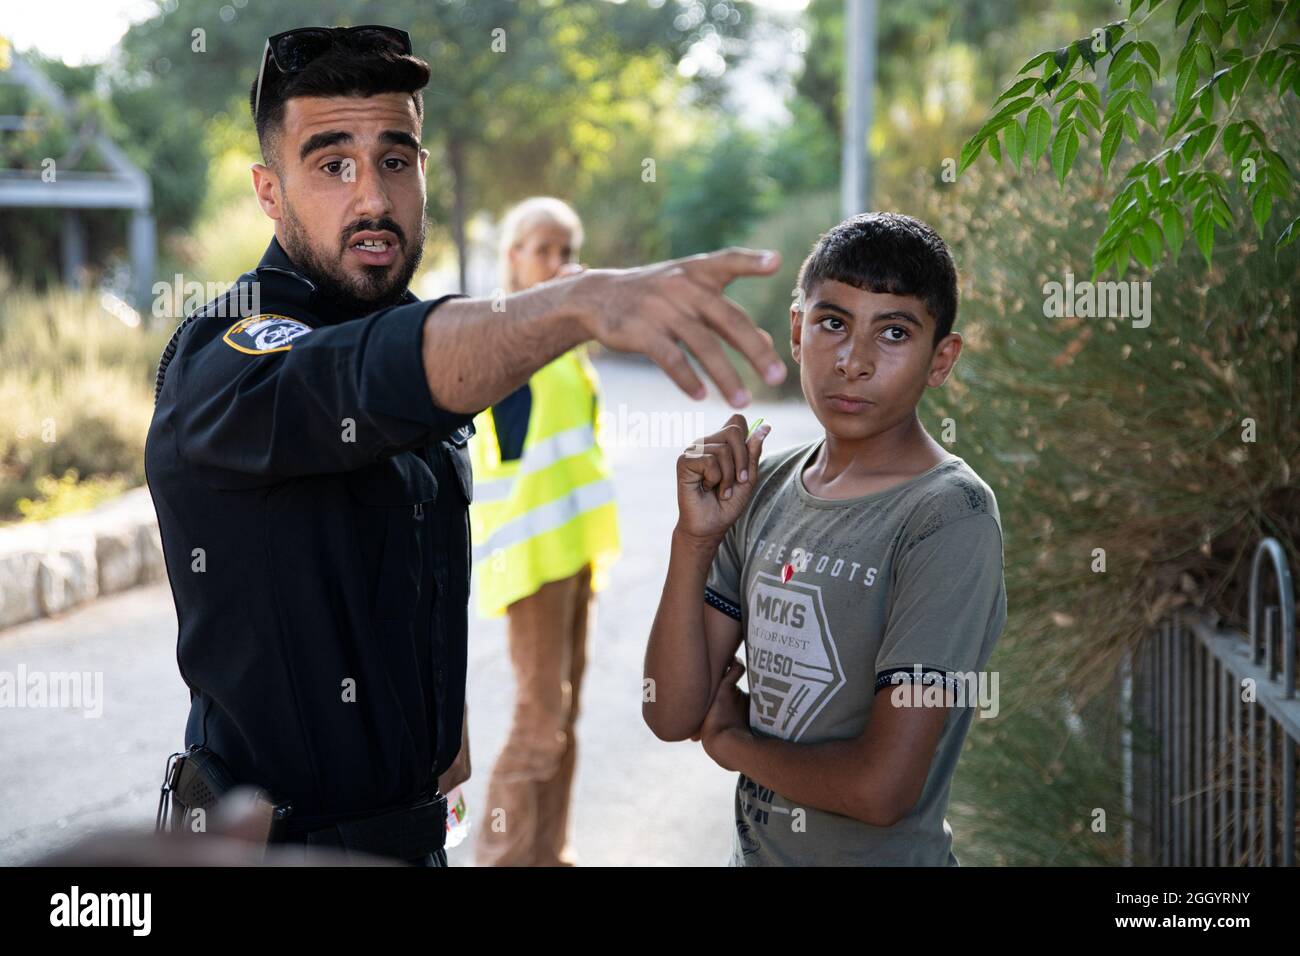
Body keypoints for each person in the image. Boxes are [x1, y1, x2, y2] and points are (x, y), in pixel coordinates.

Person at [145, 23, 785, 867]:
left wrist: (437, 744)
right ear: (270, 192)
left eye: (396, 159)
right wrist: (576, 302)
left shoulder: (413, 338)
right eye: (332, 164)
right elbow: (352, 376)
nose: (371, 197)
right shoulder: (227, 349)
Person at [643, 212, 1007, 866]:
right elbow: (670, 713)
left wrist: (732, 743)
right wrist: (693, 539)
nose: (854, 360)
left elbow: (882, 789)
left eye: (894, 332)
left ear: (941, 359)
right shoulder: (765, 488)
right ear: (795, 329)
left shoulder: (948, 518)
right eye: (832, 323)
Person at [470, 198, 620, 867]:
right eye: (544, 250)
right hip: (531, 560)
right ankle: (502, 858)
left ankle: (549, 853)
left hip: (575, 553)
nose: (560, 262)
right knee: (538, 724)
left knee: (564, 720)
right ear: (512, 256)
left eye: (568, 250)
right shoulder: (504, 336)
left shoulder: (563, 338)